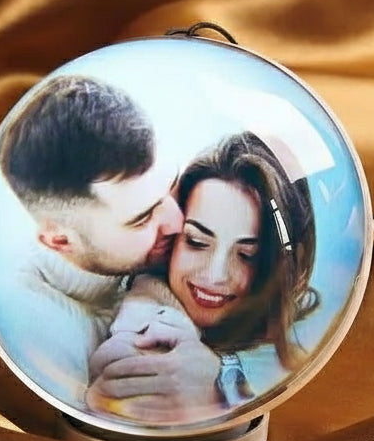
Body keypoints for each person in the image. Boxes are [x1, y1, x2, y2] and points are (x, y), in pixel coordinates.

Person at [0, 74, 191, 407]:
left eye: (171, 184)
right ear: (60, 240)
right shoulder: (21, 320)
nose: (178, 222)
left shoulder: (196, 209)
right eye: (142, 218)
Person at [86, 131, 319, 425]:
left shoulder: (307, 347)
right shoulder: (126, 312)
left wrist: (219, 389)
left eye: (247, 255)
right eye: (196, 242)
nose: (214, 275)